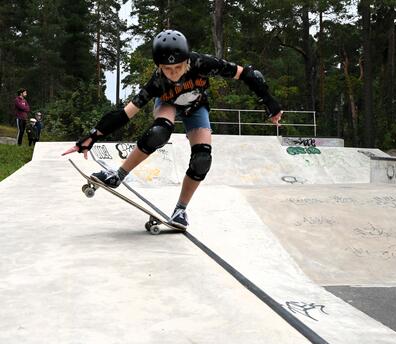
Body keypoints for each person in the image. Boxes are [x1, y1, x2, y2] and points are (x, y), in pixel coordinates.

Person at [62, 29, 283, 230]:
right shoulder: (157, 83)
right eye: (168, 69)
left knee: (202, 158)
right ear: (159, 67)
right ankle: (117, 175)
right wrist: (92, 136)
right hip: (167, 104)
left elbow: (247, 73)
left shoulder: (203, 63)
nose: (174, 73)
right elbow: (123, 114)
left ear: (187, 60)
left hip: (196, 107)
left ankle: (180, 209)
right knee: (158, 133)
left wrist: (269, 101)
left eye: (179, 67)